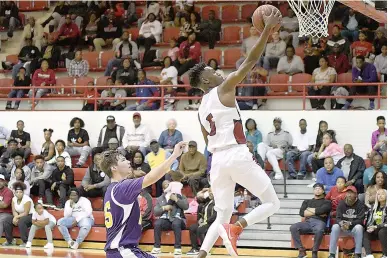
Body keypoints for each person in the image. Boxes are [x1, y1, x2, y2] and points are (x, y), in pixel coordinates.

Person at [189, 10, 282, 257]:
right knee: (273, 203)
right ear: (207, 83)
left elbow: (207, 140)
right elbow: (250, 61)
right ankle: (237, 228)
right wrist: (266, 30)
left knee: (222, 212)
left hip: (217, 162)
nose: (219, 73)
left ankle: (201, 254)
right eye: (213, 73)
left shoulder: (200, 110)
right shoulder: (224, 87)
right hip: (235, 155)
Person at [99, 141, 186, 258]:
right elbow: (152, 177)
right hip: (123, 251)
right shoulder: (122, 187)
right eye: (123, 160)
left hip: (127, 250)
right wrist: (174, 155)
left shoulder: (112, 189)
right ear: (114, 167)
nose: (128, 161)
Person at [289, 183, 331, 258]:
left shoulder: (327, 202)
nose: (317, 190)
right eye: (315, 189)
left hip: (320, 222)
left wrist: (308, 210)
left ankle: (314, 251)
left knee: (319, 230)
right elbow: (302, 213)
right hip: (308, 222)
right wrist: (317, 212)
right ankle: (301, 250)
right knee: (293, 227)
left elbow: (322, 210)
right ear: (313, 191)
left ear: (323, 191)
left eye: (319, 189)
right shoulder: (306, 201)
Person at [150, 179, 189, 255]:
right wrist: (164, 208)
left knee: (176, 223)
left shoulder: (180, 196)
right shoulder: (160, 198)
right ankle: (157, 247)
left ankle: (178, 248)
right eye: (166, 185)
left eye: (169, 184)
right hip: (166, 219)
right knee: (158, 223)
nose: (168, 186)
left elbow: (186, 206)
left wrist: (176, 199)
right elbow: (156, 212)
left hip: (179, 219)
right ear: (163, 189)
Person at [328, 187, 366, 258]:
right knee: (335, 227)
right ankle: (332, 254)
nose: (349, 195)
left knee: (359, 227)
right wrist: (342, 223)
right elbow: (338, 218)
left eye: (351, 193)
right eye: (348, 193)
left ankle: (358, 254)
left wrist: (350, 223)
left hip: (354, 230)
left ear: (355, 194)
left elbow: (361, 220)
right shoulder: (341, 203)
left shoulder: (360, 205)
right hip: (343, 229)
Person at [187, 188, 217, 256]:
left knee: (201, 229)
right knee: (192, 227)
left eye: (211, 192)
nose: (210, 194)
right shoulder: (206, 202)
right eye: (209, 193)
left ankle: (205, 249)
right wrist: (200, 220)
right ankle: (194, 248)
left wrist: (206, 221)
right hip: (204, 222)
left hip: (212, 223)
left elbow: (216, 215)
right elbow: (199, 197)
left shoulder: (217, 203)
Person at [363, 189, 387, 258]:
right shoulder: (373, 207)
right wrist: (370, 227)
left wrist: (376, 227)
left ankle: (385, 254)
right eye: (378, 194)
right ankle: (369, 255)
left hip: (385, 230)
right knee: (366, 233)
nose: (380, 196)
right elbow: (369, 220)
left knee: (382, 232)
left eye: (382, 194)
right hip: (376, 230)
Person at [11, 182, 34, 247]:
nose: (19, 194)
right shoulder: (13, 199)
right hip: (19, 215)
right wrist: (15, 217)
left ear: (23, 192)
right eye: (17, 192)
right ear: (14, 193)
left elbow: (26, 213)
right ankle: (10, 240)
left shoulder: (27, 199)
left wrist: (16, 217)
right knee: (7, 219)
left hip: (31, 216)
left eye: (20, 192)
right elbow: (14, 210)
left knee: (22, 221)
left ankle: (25, 241)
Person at [0, 174, 14, 247]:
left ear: (4, 182)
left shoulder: (8, 192)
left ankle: (10, 240)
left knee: (1, 220)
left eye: (1, 181)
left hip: (6, 213)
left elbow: (5, 205)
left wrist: (2, 204)